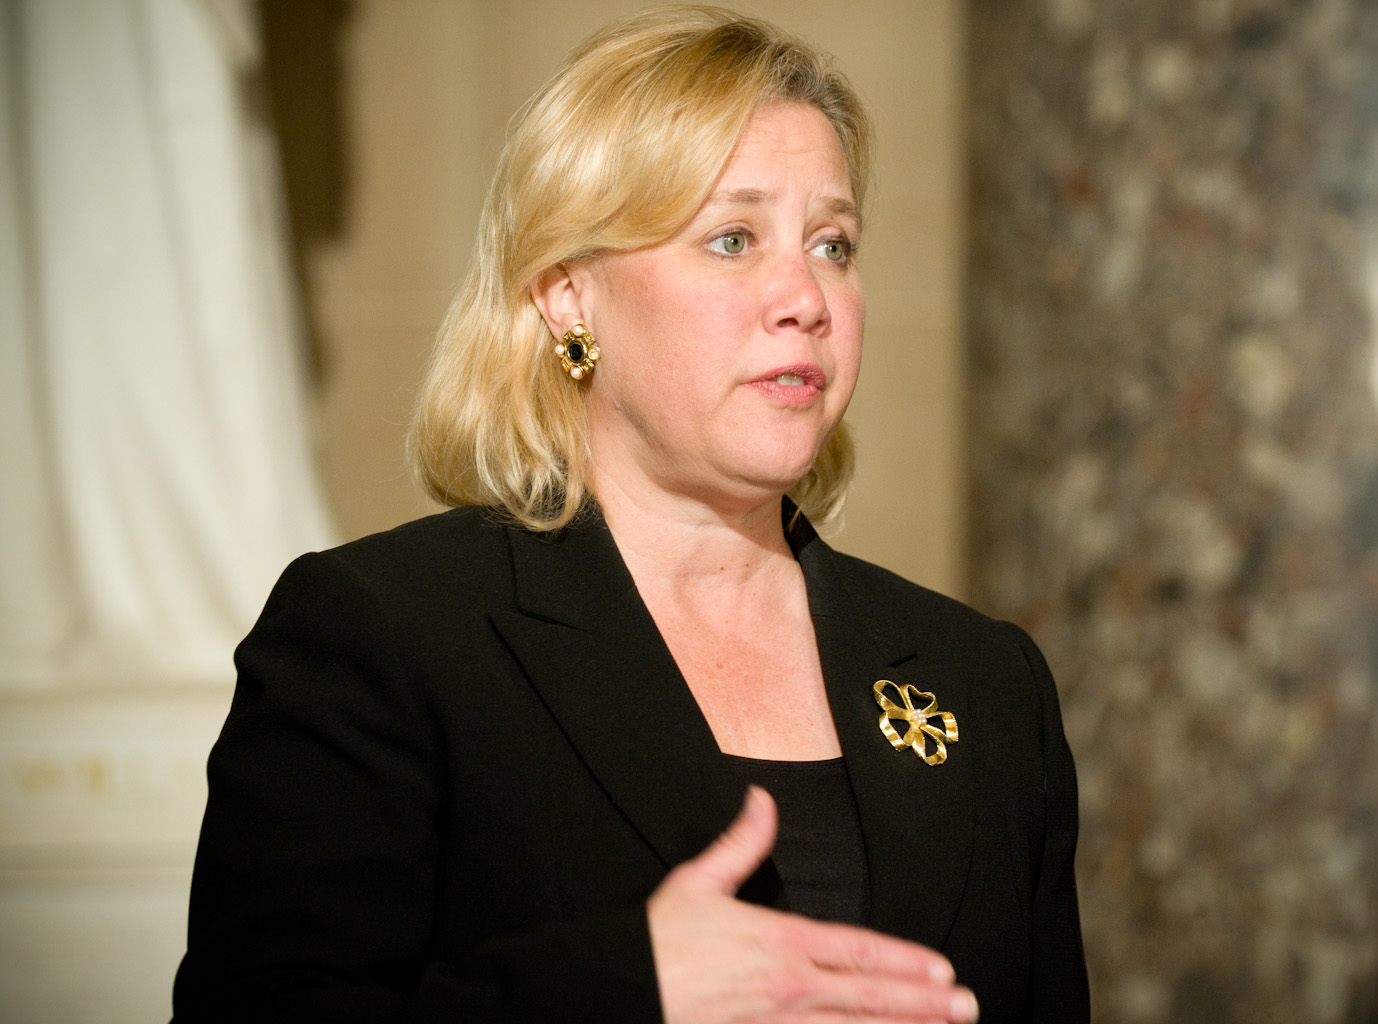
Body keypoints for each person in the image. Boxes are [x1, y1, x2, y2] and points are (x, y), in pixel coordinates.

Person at [171, 7, 1089, 1022]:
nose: (806, 297)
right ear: (568, 297)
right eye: (733, 239)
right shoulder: (383, 638)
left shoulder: (985, 683)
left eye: (833, 244)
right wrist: (628, 989)